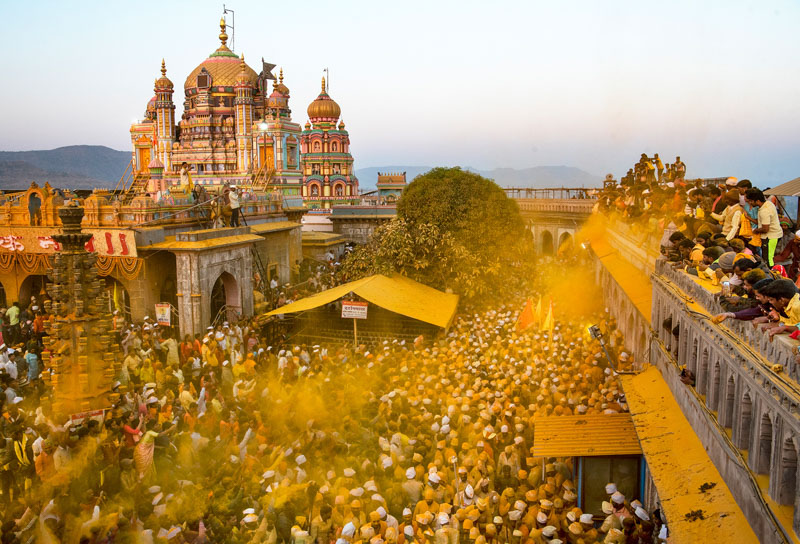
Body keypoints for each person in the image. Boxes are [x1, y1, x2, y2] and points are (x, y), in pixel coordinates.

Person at [746, 188, 782, 267]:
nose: (750, 203)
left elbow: (765, 229)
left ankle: (771, 273)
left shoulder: (764, 211)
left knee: (768, 259)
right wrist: (748, 218)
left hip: (771, 237)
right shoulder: (768, 203)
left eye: (751, 201)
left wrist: (755, 231)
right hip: (775, 234)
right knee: (767, 257)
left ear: (758, 201)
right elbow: (761, 222)